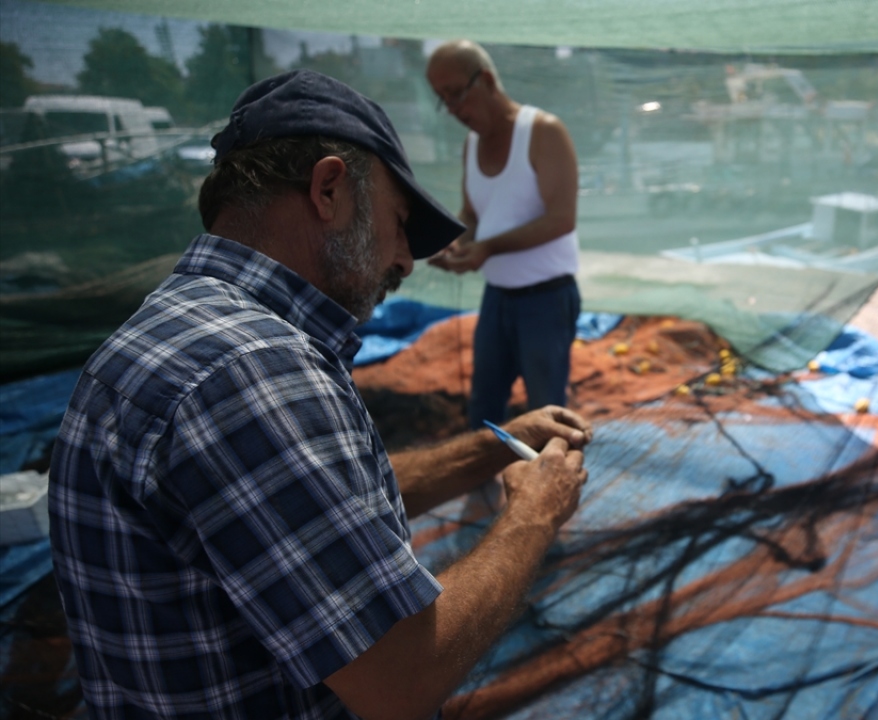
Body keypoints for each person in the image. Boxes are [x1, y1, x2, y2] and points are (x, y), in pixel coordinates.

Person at [47, 69, 593, 719]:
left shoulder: (191, 325)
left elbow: (317, 503)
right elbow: (403, 679)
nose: (404, 261)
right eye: (398, 223)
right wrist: (533, 514)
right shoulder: (253, 370)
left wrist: (493, 449)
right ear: (329, 189)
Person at [425, 40, 582, 430]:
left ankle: (553, 470)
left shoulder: (542, 132)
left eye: (456, 93)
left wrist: (488, 248)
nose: (452, 108)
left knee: (546, 409)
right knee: (484, 404)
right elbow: (472, 213)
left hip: (546, 299)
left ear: (487, 80)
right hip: (497, 297)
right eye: (442, 99)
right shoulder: (472, 144)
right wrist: (455, 243)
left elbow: (562, 219)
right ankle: (486, 473)